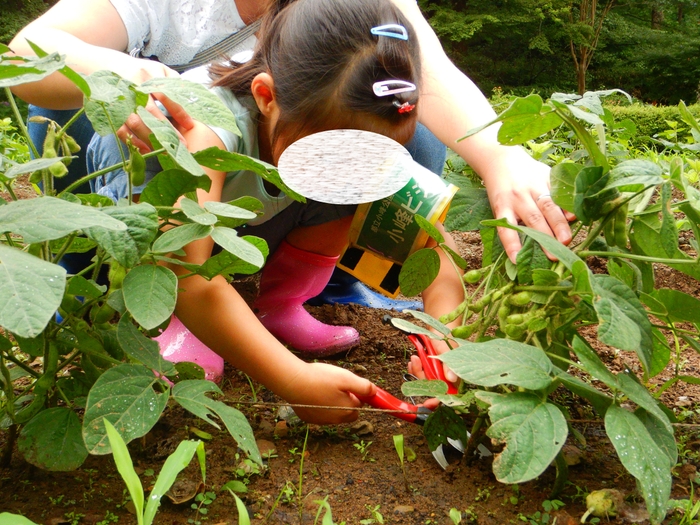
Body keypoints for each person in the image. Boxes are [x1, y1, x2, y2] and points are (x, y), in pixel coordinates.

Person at [84, 0, 463, 422]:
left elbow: (432, 252)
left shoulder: (356, 126)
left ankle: (281, 305)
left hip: (246, 208)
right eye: (330, 156)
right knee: (176, 255)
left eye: (370, 157)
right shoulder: (209, 124)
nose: (348, 172)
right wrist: (292, 379)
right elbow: (183, 270)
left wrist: (445, 343)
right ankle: (166, 321)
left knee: (344, 195)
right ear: (265, 97)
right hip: (155, 204)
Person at [8, 0, 573, 277]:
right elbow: (29, 51)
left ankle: (298, 278)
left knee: (409, 136)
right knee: (78, 108)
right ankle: (108, 264)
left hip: (263, 166)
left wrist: (501, 158)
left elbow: (427, 71)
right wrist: (141, 79)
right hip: (155, 158)